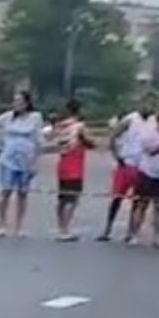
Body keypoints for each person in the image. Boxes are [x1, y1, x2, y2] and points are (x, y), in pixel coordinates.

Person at [99, 92, 158, 241]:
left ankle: (131, 231)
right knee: (117, 197)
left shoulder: (154, 121)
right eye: (146, 103)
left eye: (152, 104)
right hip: (126, 163)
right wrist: (117, 156)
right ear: (140, 104)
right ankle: (108, 229)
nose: (148, 107)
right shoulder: (130, 119)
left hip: (144, 165)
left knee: (138, 200)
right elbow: (113, 136)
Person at [0, 90, 43, 238]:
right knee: (6, 191)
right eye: (15, 101)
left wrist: (35, 162)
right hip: (9, 159)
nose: (16, 104)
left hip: (26, 159)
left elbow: (38, 140)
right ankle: (2, 224)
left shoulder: (35, 117)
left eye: (20, 101)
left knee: (22, 193)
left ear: (27, 103)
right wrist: (2, 141)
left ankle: (19, 226)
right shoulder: (8, 117)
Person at [127, 106, 159, 247]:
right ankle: (134, 234)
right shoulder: (149, 134)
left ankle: (157, 237)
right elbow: (149, 150)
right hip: (148, 173)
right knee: (142, 205)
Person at [51, 100, 93, 241]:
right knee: (73, 199)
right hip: (75, 165)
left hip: (62, 163)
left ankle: (60, 228)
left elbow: (53, 140)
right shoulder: (79, 126)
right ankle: (65, 229)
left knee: (62, 198)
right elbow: (90, 142)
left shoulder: (61, 126)